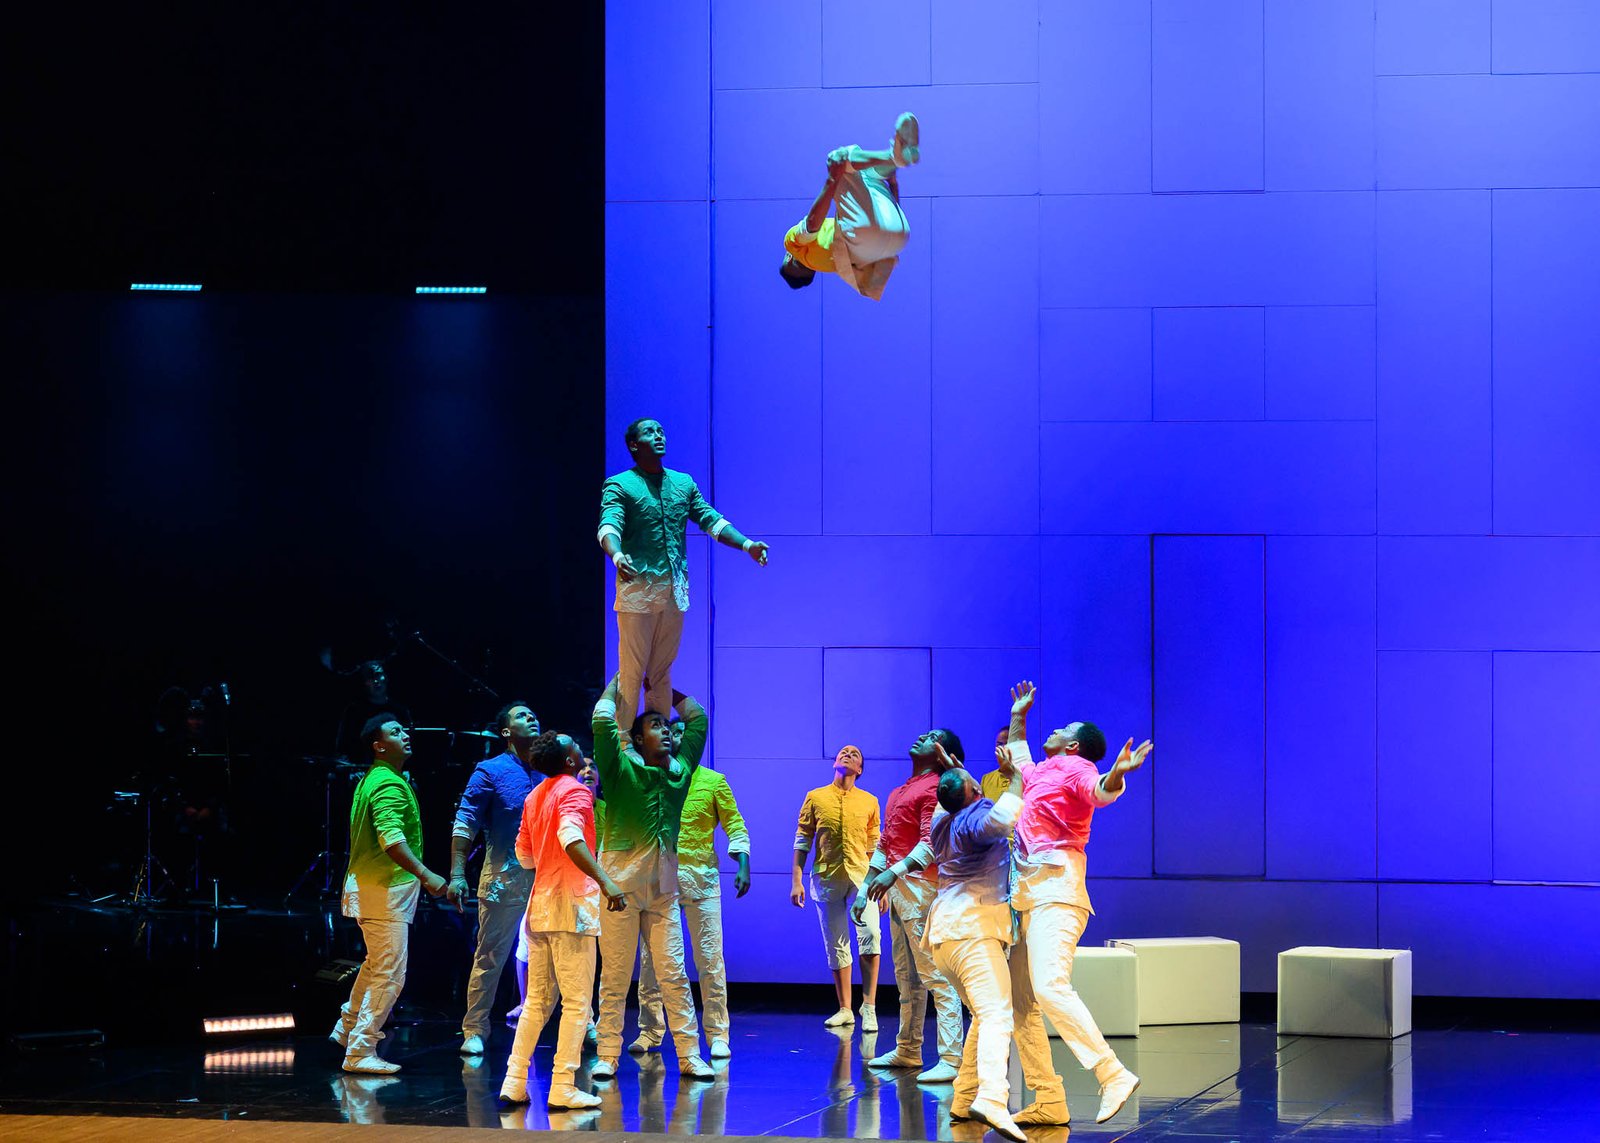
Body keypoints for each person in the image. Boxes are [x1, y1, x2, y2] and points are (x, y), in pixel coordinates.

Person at [1002, 681, 1151, 1124]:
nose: (1054, 730)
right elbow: (1019, 753)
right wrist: (1019, 715)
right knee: (1020, 1002)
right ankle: (1049, 1099)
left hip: (1058, 892)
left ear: (1074, 745)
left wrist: (1117, 773)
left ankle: (1112, 1073)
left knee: (1050, 987)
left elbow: (1099, 790)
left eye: (1063, 728)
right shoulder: (1041, 771)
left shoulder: (1075, 769)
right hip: (1028, 895)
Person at [598, 418, 769, 729]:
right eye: (650, 432)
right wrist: (617, 554)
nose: (658, 436)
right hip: (638, 593)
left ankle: (657, 743)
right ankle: (623, 743)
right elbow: (609, 525)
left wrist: (747, 545)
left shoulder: (682, 483)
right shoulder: (620, 484)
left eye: (661, 431)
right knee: (632, 673)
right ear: (634, 445)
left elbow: (711, 520)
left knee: (661, 673)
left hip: (674, 595)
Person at [589, 673, 716, 1080]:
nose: (664, 731)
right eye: (655, 726)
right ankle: (607, 1054)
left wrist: (661, 687)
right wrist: (625, 678)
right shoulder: (619, 770)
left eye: (665, 725)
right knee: (615, 976)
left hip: (662, 890)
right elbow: (602, 721)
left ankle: (689, 1055)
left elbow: (698, 720)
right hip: (621, 888)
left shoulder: (680, 772)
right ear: (638, 739)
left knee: (674, 973)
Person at [498, 731, 627, 1110]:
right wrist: (606, 882)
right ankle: (563, 1085)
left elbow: (524, 855)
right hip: (571, 908)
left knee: (536, 1002)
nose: (581, 749)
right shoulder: (575, 791)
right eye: (575, 746)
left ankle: (514, 1081)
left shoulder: (535, 796)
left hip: (539, 908)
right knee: (576, 1003)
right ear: (570, 761)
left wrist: (549, 856)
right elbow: (571, 838)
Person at [331, 716, 460, 1074]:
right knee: (390, 972)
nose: (406, 735)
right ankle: (360, 1049)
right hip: (383, 890)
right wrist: (427, 875)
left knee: (376, 965)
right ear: (378, 745)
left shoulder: (374, 779)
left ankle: (348, 1028)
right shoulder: (387, 783)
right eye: (395, 732)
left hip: (372, 888)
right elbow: (391, 839)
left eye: (404, 729)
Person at [925, 755, 1029, 1142]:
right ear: (972, 792)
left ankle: (964, 1096)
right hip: (974, 932)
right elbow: (1004, 817)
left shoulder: (941, 822)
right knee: (998, 1016)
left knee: (982, 1017)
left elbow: (951, 795)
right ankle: (992, 1097)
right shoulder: (974, 822)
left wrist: (959, 776)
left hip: (945, 937)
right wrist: (1016, 776)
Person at [856, 729, 965, 1083]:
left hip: (921, 888)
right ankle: (908, 1048)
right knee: (906, 976)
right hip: (900, 887)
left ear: (942, 753)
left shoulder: (938, 788)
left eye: (932, 737)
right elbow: (885, 843)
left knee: (935, 974)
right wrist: (864, 889)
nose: (921, 736)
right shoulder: (899, 790)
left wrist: (894, 873)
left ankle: (952, 1057)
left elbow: (931, 842)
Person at [632, 763, 752, 1059]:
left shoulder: (713, 781)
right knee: (652, 959)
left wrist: (743, 863)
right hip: (660, 880)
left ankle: (717, 1033)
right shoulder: (653, 778)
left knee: (710, 957)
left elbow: (734, 824)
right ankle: (650, 1029)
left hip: (702, 878)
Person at [450, 701, 543, 1055]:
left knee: (566, 956)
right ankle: (475, 1028)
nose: (531, 717)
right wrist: (457, 873)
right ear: (506, 731)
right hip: (504, 880)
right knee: (489, 957)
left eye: (533, 713)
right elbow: (465, 822)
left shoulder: (550, 772)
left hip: (547, 882)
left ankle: (584, 1024)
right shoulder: (490, 770)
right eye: (522, 715)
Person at [779, 113, 920, 301]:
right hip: (863, 237)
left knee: (867, 176)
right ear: (789, 259)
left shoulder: (833, 265)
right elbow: (812, 224)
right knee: (839, 160)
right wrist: (833, 178)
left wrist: (893, 185)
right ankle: (892, 157)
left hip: (899, 240)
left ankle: (898, 159)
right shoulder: (793, 247)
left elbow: (880, 226)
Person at [792, 745, 882, 1030]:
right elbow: (803, 839)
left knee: (871, 935)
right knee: (836, 943)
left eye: (855, 754)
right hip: (826, 877)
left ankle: (869, 1007)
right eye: (844, 752)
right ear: (834, 762)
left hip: (863, 878)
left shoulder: (869, 801)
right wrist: (796, 880)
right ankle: (845, 1008)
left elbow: (874, 846)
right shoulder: (816, 797)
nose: (848, 754)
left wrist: (883, 885)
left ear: (860, 769)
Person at [335, 661, 412, 764]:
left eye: (378, 675)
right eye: (370, 677)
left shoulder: (400, 711)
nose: (375, 681)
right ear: (364, 682)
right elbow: (343, 746)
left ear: (386, 677)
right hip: (363, 768)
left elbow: (408, 743)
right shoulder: (354, 711)